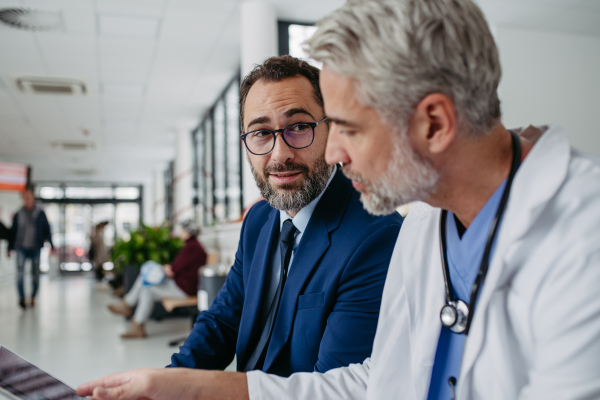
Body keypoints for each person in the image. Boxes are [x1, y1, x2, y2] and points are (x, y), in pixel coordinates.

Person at [78, 0, 600, 398]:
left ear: (434, 123)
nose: (337, 151)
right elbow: (375, 382)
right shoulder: (428, 224)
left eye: (345, 128)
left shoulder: (584, 244)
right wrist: (181, 386)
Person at [166, 56, 402, 376]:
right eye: (261, 133)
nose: (280, 154)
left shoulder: (376, 233)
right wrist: (165, 384)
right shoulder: (258, 220)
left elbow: (332, 390)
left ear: (331, 129)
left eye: (300, 127)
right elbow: (223, 320)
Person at [107, 219, 207, 339]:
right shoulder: (194, 246)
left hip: (184, 289)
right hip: (183, 285)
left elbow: (173, 270)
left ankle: (129, 308)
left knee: (146, 284)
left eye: (182, 230)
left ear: (188, 232)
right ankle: (134, 320)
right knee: (146, 284)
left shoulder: (192, 247)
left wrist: (166, 268)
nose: (180, 233)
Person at [8, 188, 54, 309]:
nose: (27, 199)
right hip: (21, 247)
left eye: (29, 196)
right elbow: (13, 232)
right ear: (23, 198)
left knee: (35, 274)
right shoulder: (18, 214)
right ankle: (22, 298)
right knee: (19, 274)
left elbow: (47, 230)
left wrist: (51, 245)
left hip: (35, 247)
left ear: (33, 197)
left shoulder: (40, 213)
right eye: (25, 196)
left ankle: (33, 296)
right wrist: (9, 248)